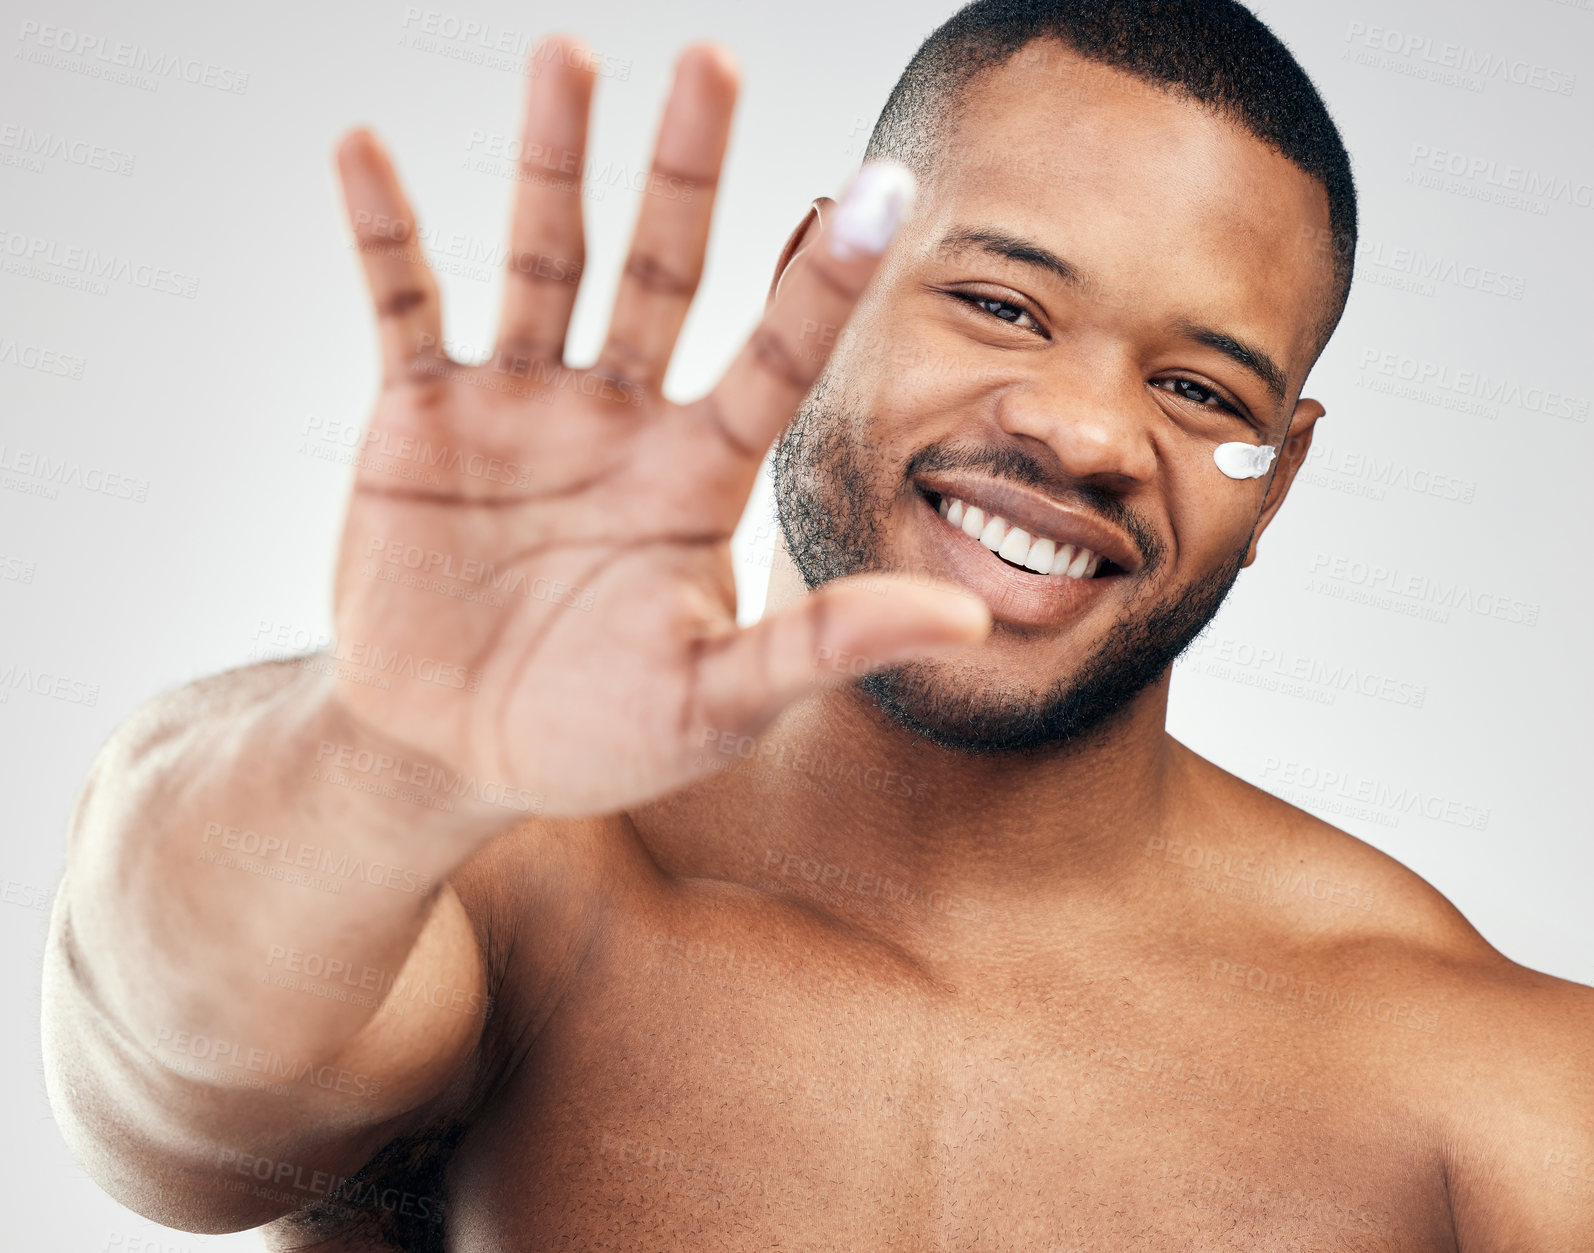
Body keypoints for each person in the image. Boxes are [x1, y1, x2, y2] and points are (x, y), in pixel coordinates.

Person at [42, 1, 1594, 1248]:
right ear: (817, 285)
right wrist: (385, 746)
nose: (1085, 431)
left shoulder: (1476, 1087)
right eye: (1000, 301)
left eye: (1197, 390)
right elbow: (169, 1082)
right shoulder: (515, 887)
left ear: (1281, 475)